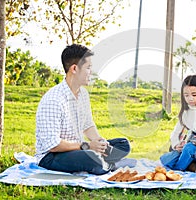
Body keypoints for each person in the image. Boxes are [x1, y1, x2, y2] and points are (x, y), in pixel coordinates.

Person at [35, 44, 130, 175]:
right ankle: (105, 164)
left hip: (79, 149)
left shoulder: (83, 94)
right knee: (93, 158)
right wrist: (87, 146)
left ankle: (103, 162)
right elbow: (52, 145)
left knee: (123, 144)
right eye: (88, 68)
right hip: (52, 156)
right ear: (74, 69)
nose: (91, 72)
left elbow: (88, 125)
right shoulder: (54, 100)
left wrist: (99, 142)